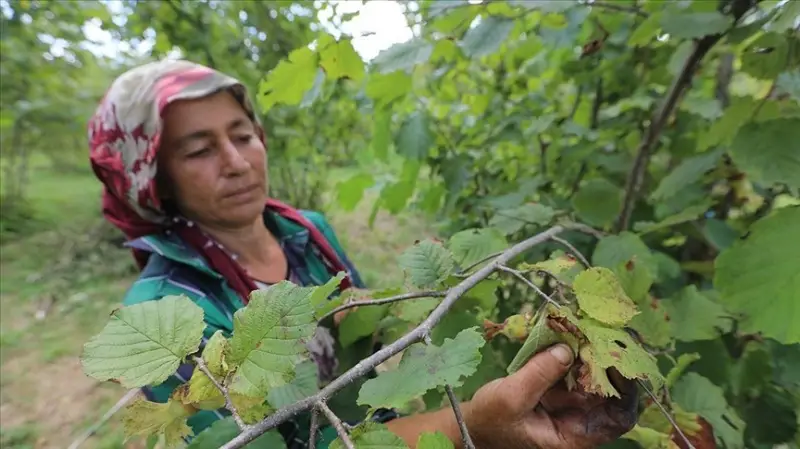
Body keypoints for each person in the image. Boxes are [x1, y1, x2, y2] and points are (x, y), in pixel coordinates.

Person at [88, 59, 637, 449]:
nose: (235, 161)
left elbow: (361, 339)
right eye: (200, 149)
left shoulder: (309, 231)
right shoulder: (165, 310)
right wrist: (474, 425)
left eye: (243, 134)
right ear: (152, 177)